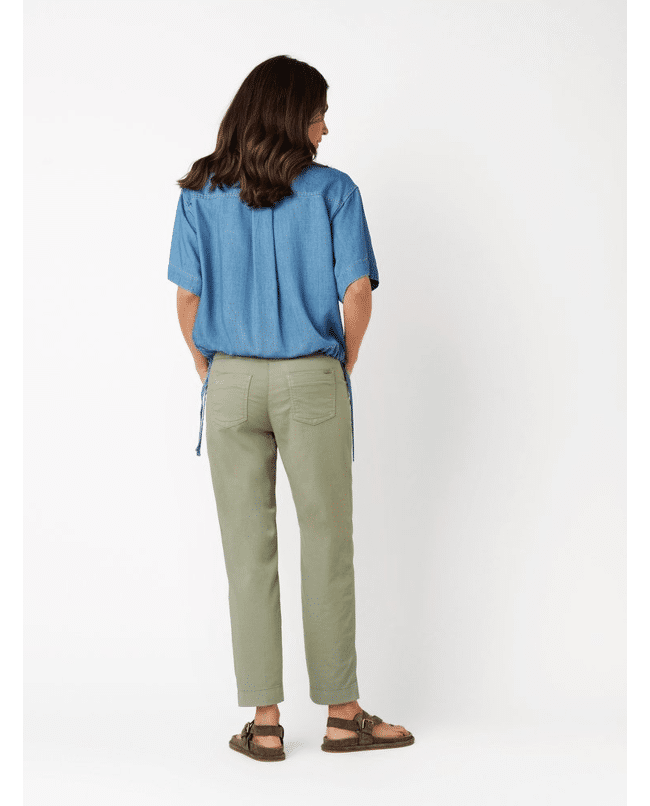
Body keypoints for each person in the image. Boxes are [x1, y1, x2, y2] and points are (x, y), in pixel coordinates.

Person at [167, 55, 413, 761]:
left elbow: (187, 297)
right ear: (291, 114)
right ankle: (342, 716)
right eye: (318, 113)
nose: (325, 128)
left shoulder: (200, 191)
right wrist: (342, 362)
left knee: (247, 554)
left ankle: (266, 723)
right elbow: (356, 292)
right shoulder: (333, 191)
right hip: (311, 379)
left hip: (232, 384)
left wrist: (208, 366)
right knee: (327, 544)